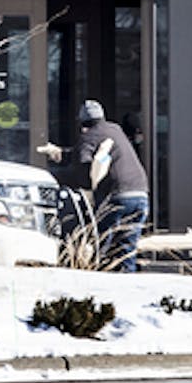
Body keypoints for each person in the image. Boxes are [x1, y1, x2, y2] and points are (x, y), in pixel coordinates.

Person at [39, 99, 151, 272]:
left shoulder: (87, 137)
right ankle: (128, 280)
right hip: (140, 193)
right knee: (127, 248)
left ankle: (103, 286)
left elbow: (84, 169)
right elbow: (90, 153)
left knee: (102, 246)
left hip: (117, 196)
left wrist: (59, 176)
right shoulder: (115, 130)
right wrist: (61, 153)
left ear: (82, 122)